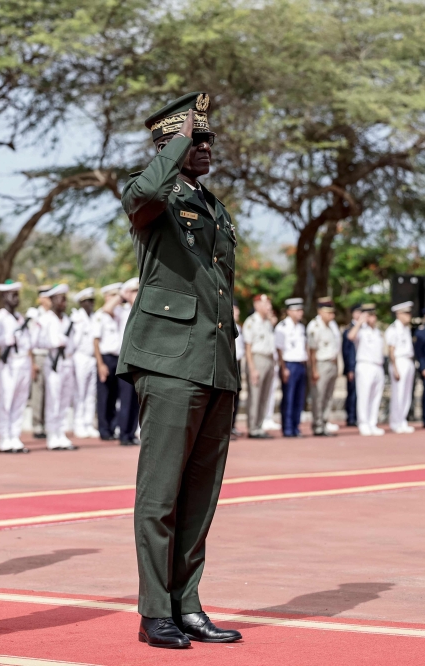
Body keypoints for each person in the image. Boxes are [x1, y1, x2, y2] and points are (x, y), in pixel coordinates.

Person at [118, 92, 242, 648]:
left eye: (210, 138)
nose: (207, 146)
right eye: (197, 138)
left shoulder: (211, 204)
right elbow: (145, 191)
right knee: (161, 494)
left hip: (214, 364)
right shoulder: (151, 194)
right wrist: (173, 146)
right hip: (168, 361)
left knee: (200, 495)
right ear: (170, 145)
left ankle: (187, 603)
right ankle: (154, 611)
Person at [0, 280, 33, 453]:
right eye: (13, 295)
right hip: (9, 363)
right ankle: (4, 437)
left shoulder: (20, 318)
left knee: (20, 401)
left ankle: (15, 436)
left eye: (17, 294)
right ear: (5, 296)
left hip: (23, 362)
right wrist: (4, 340)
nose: (16, 298)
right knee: (6, 400)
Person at [37, 283, 77, 450]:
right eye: (60, 299)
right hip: (53, 362)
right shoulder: (45, 319)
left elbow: (74, 343)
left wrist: (68, 345)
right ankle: (52, 435)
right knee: (53, 399)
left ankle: (61, 434)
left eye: (65, 299)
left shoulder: (68, 320)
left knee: (64, 400)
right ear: (52, 300)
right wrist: (54, 343)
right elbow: (38, 341)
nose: (64, 302)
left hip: (67, 362)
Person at [348, 304, 385, 436]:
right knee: (364, 396)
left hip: (378, 366)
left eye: (373, 315)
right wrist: (359, 322)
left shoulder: (377, 331)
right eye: (369, 315)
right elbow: (350, 336)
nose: (372, 318)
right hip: (365, 365)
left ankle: (372, 422)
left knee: (376, 396)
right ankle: (363, 423)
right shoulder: (361, 330)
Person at [93, 283, 123, 441]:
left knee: (115, 395)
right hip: (106, 358)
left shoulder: (120, 313)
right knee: (104, 395)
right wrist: (100, 364)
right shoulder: (100, 315)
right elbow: (95, 341)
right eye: (114, 295)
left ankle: (112, 427)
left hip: (119, 358)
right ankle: (104, 429)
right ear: (107, 297)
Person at [242, 294, 275, 439]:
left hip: (269, 359)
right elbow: (247, 348)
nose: (269, 307)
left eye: (269, 303)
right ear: (256, 305)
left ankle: (260, 425)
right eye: (265, 304)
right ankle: (253, 427)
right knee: (255, 395)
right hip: (257, 358)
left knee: (265, 395)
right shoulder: (251, 321)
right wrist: (252, 368)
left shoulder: (267, 322)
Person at [307, 296, 340, 437]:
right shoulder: (314, 326)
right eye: (328, 312)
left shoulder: (333, 325)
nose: (331, 315)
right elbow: (312, 351)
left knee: (328, 396)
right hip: (320, 364)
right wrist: (313, 369)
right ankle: (318, 424)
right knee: (318, 396)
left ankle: (325, 422)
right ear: (320, 312)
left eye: (332, 312)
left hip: (331, 363)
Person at [115, 278, 141, 445]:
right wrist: (123, 295)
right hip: (125, 359)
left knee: (136, 401)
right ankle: (124, 433)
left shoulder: (142, 310)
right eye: (135, 291)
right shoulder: (121, 311)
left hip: (139, 360)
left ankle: (131, 433)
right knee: (126, 399)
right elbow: (106, 309)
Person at [275, 298, 307, 438]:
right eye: (297, 310)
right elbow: (279, 350)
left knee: (299, 398)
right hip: (289, 364)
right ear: (289, 311)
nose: (300, 313)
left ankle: (296, 426)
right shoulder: (282, 327)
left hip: (300, 364)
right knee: (288, 397)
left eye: (301, 310)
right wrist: (283, 368)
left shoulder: (301, 327)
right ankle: (287, 428)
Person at [71, 288, 98, 439]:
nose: (91, 304)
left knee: (90, 393)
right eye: (88, 301)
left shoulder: (94, 317)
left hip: (92, 358)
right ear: (82, 303)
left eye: (92, 301)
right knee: (80, 392)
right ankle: (78, 423)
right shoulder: (77, 318)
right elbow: (75, 341)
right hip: (80, 357)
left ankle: (88, 423)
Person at [385, 302, 416, 434]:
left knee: (407, 394)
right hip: (399, 361)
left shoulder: (406, 328)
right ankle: (395, 421)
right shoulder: (393, 329)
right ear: (398, 314)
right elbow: (391, 350)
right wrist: (395, 368)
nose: (409, 316)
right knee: (399, 393)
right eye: (406, 313)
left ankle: (402, 420)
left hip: (408, 361)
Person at [29, 285, 52, 440]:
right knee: (38, 392)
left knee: (51, 392)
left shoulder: (53, 315)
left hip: (51, 355)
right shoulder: (34, 314)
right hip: (38, 355)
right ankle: (37, 424)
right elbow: (28, 340)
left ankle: (48, 424)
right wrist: (32, 362)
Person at [341, 305, 361, 427]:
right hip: (353, 366)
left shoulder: (365, 329)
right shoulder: (349, 329)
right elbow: (347, 352)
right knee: (352, 393)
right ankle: (351, 417)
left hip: (364, 365)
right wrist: (349, 368)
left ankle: (359, 416)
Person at [232, 304, 244, 437]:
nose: (238, 313)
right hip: (230, 363)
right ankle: (227, 426)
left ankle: (233, 425)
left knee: (237, 397)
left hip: (238, 363)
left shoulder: (239, 327)